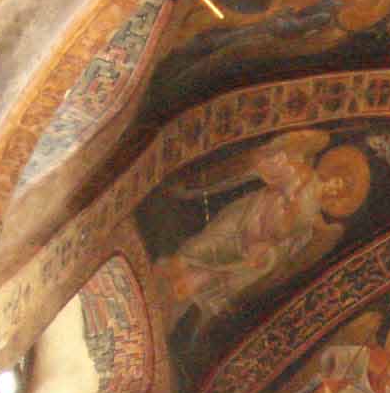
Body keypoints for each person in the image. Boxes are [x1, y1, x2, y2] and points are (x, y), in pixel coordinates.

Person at [157, 134, 369, 327]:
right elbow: (271, 170)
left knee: (229, 271)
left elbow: (293, 246)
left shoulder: (316, 219)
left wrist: (271, 253)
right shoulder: (304, 174)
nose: (335, 187)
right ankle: (172, 273)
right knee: (209, 246)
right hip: (250, 217)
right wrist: (277, 172)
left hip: (261, 243)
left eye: (341, 190)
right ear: (331, 173)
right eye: (338, 181)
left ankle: (183, 293)